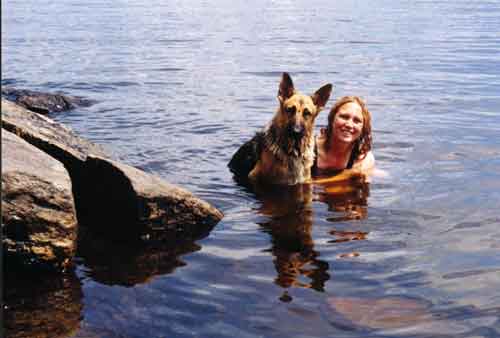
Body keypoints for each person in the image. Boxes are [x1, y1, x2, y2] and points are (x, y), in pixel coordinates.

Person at [312, 96, 375, 178]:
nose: (349, 125)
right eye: (344, 117)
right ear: (332, 119)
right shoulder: (309, 150)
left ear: (363, 128)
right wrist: (348, 174)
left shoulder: (363, 158)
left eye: (357, 121)